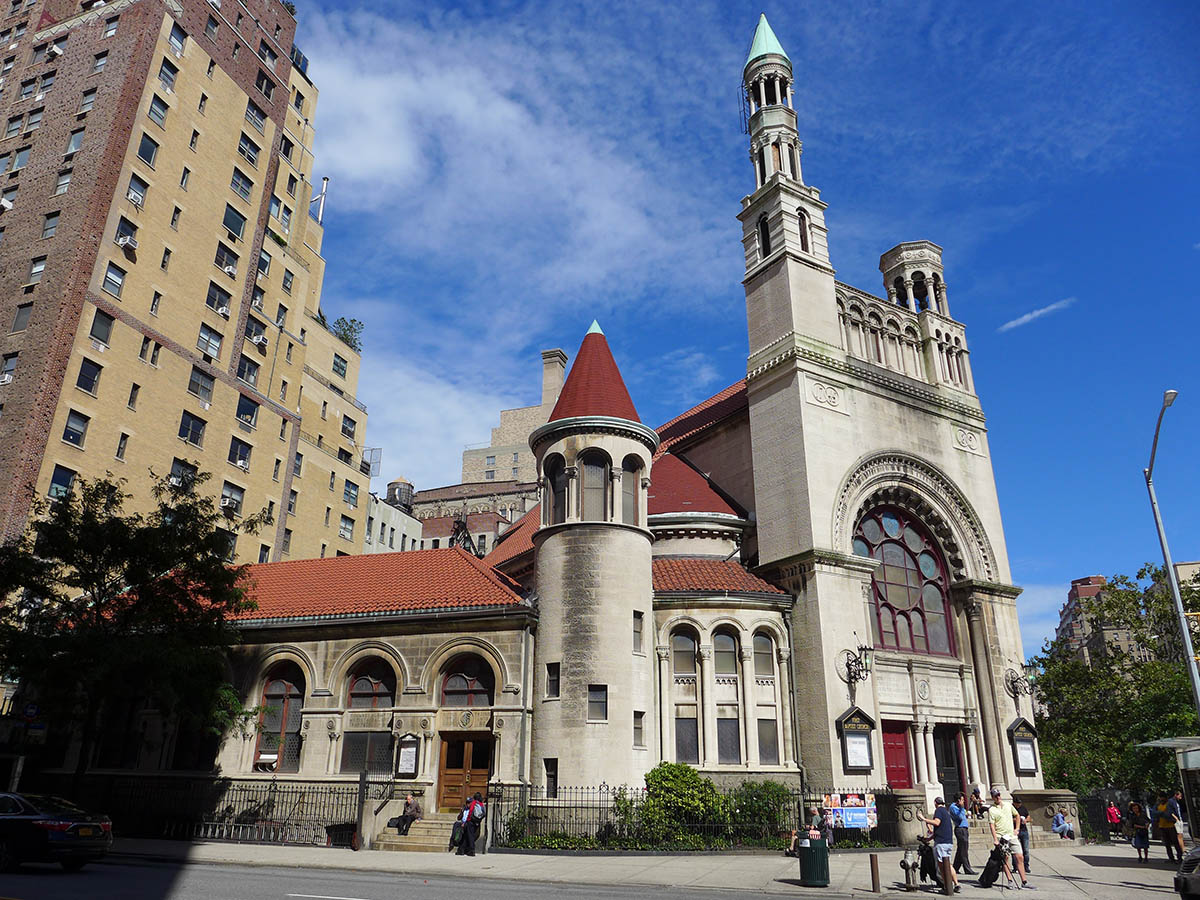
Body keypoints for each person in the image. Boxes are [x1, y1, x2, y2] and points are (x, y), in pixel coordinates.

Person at [987, 787, 1033, 890]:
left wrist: (1016, 828)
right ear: (993, 798)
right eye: (995, 796)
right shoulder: (992, 809)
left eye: (998, 795)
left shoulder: (1008, 805)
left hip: (1011, 835)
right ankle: (1010, 880)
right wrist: (995, 839)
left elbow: (1017, 815)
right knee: (1006, 858)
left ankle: (1024, 881)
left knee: (1020, 856)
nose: (997, 797)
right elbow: (992, 825)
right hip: (1001, 836)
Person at [918, 796, 961, 893]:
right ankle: (956, 883)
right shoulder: (946, 812)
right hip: (948, 841)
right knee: (948, 864)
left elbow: (937, 823)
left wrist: (924, 819)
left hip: (941, 843)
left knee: (941, 866)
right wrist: (929, 838)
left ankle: (946, 886)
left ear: (935, 803)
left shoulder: (939, 811)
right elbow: (939, 830)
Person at [949, 791, 975, 875]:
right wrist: (961, 807)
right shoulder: (953, 807)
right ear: (958, 800)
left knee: (961, 849)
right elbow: (960, 817)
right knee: (964, 850)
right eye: (962, 800)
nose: (963, 802)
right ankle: (967, 869)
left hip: (964, 829)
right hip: (960, 829)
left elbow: (964, 814)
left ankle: (955, 867)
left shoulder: (960, 807)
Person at [457, 791, 485, 856]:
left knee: (470, 836)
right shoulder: (481, 804)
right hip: (477, 821)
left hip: (471, 822)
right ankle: (461, 849)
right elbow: (483, 813)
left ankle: (471, 850)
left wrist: (468, 820)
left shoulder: (474, 803)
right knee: (467, 835)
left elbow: (470, 812)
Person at [1156, 792, 1180, 863]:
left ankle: (1179, 857)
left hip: (1170, 826)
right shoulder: (1159, 805)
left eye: (1162, 797)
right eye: (1160, 797)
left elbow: (1174, 813)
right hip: (1162, 826)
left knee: (1175, 842)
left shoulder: (1169, 804)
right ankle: (1171, 858)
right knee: (1167, 844)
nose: (1161, 799)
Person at [1013, 794, 1032, 873]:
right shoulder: (1012, 809)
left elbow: (1028, 816)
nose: (1019, 804)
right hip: (1015, 830)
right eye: (1017, 803)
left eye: (1020, 803)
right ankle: (1015, 866)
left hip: (1024, 830)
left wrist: (1026, 820)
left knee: (1026, 850)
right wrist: (1017, 820)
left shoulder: (1023, 808)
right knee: (1015, 850)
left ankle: (1026, 865)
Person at [1172, 790, 1188, 859]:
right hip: (1177, 821)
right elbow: (1171, 811)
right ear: (1176, 795)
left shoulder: (1176, 802)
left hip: (1179, 820)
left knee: (1181, 835)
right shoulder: (1171, 802)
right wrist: (1176, 819)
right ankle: (1181, 850)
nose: (1180, 798)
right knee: (1179, 836)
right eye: (1180, 796)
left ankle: (1183, 848)